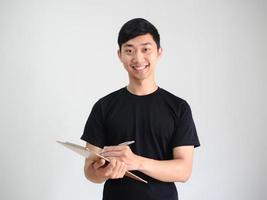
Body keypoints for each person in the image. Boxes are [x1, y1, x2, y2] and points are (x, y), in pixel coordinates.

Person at [81, 18, 200, 200]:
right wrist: (103, 172)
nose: (138, 58)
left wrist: (137, 162)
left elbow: (183, 171)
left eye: (146, 49)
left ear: (159, 52)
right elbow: (90, 171)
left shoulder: (178, 107)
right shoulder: (104, 106)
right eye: (129, 50)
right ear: (119, 54)